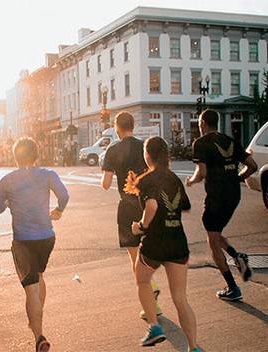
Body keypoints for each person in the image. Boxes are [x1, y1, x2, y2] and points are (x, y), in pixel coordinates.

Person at [0, 137, 69, 352]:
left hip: (23, 240)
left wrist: (7, 202)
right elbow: (64, 194)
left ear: (15, 157)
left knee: (31, 288)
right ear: (36, 155)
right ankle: (36, 319)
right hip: (46, 237)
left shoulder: (8, 180)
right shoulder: (48, 175)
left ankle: (39, 336)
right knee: (39, 277)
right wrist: (59, 210)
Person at [126, 136, 200, 351]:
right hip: (177, 242)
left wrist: (141, 226)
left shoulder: (146, 179)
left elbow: (151, 205)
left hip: (155, 244)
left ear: (147, 155)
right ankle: (193, 347)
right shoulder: (174, 178)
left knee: (142, 279)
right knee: (180, 299)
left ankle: (154, 326)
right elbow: (185, 207)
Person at [185, 109, 258, 301]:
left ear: (202, 124)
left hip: (217, 197)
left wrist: (190, 181)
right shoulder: (230, 141)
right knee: (215, 233)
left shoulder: (200, 143)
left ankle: (232, 287)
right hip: (234, 195)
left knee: (212, 241)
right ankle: (237, 256)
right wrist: (237, 178)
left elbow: (201, 173)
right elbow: (252, 165)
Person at [101, 111, 162, 320]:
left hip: (127, 207)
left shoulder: (113, 149)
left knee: (134, 255)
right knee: (149, 249)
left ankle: (151, 295)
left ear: (117, 128)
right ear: (133, 126)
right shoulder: (145, 146)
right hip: (147, 203)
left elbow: (106, 183)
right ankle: (151, 290)